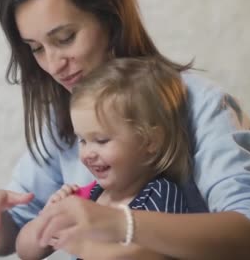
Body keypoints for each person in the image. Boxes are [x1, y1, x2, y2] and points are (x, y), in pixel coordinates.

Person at [0, 0, 250, 260]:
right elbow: (15, 237)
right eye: (36, 49)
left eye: (65, 38)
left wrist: (119, 223)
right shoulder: (63, 119)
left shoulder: (201, 104)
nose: (52, 64)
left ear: (111, 18)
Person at [16, 57, 192, 260]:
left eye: (101, 140)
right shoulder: (88, 195)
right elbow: (26, 252)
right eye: (82, 141)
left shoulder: (161, 194)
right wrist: (47, 218)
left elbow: (150, 255)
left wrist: (84, 248)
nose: (88, 153)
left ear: (150, 141)